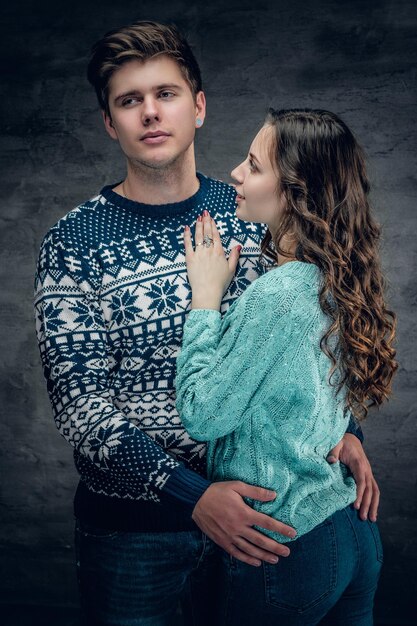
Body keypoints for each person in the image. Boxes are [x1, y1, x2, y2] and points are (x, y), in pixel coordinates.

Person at [34, 19, 378, 626]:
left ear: (197, 106)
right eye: (129, 101)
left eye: (165, 94)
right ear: (110, 124)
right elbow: (82, 409)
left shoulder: (254, 209)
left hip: (270, 518)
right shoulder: (74, 242)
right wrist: (194, 498)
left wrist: (341, 428)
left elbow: (312, 331)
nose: (149, 113)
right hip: (136, 538)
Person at [176, 108, 398, 625]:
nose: (235, 172)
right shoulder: (339, 276)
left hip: (283, 551)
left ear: (294, 190)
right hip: (351, 534)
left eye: (253, 165)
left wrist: (205, 300)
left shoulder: (279, 294)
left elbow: (203, 414)